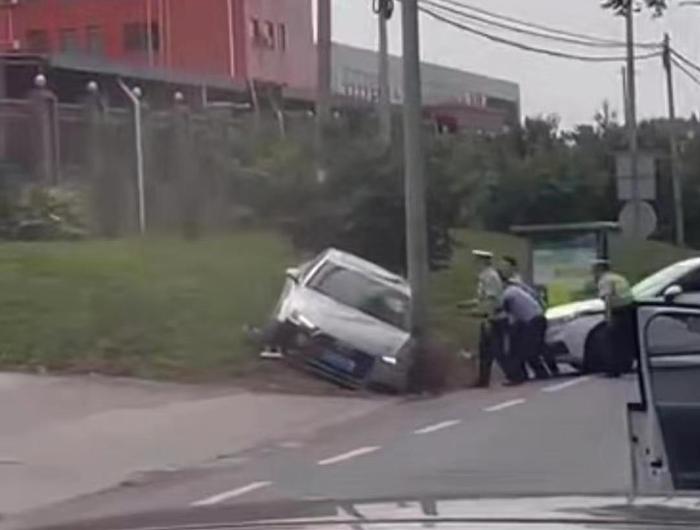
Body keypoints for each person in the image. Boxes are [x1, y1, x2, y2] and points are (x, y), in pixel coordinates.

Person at [499, 256, 559, 376]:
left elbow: (501, 307)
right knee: (538, 347)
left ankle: (541, 373)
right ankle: (549, 370)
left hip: (531, 319)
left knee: (530, 349)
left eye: (505, 266)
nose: (503, 269)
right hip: (532, 317)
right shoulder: (515, 287)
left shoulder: (513, 287)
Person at [458, 250, 506, 387]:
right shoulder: (484, 276)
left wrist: (487, 318)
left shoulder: (489, 276)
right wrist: (465, 305)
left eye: (477, 260)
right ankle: (483, 380)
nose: (474, 263)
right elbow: (481, 299)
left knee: (496, 350)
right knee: (485, 351)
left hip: (493, 318)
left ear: (483, 261)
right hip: (489, 317)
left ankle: (515, 375)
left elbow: (491, 300)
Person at [499, 277, 551, 384]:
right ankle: (541, 373)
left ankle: (521, 376)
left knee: (527, 349)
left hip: (533, 320)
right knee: (532, 348)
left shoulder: (509, 292)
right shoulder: (516, 290)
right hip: (537, 318)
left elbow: (501, 308)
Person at [592, 259, 635, 377]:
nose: (593, 273)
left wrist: (608, 317)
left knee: (611, 341)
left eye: (595, 270)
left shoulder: (605, 280)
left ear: (600, 269)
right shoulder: (618, 277)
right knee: (624, 340)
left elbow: (608, 299)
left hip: (617, 311)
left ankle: (612, 369)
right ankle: (626, 366)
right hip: (628, 309)